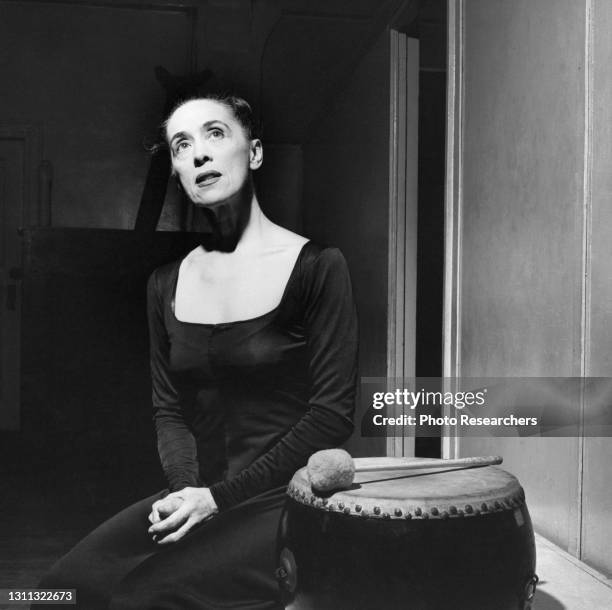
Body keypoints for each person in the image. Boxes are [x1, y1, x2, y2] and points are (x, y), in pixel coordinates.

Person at [38, 93, 359, 609]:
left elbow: (331, 416)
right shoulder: (164, 284)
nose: (199, 154)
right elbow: (169, 410)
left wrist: (218, 501)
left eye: (215, 134)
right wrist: (187, 493)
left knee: (144, 598)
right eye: (182, 145)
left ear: (253, 153)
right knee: (57, 589)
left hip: (283, 497)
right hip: (199, 492)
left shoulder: (318, 267)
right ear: (177, 170)